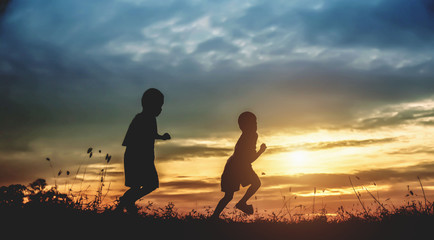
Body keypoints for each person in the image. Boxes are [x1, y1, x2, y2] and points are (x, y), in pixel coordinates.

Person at [117, 88, 171, 213]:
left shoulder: (147, 118)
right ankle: (126, 202)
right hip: (138, 157)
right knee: (148, 184)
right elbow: (145, 135)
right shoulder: (143, 118)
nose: (160, 109)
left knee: (140, 185)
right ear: (150, 104)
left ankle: (125, 204)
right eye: (159, 105)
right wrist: (161, 136)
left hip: (141, 157)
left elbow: (150, 134)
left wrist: (161, 136)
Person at [211, 111, 267, 219]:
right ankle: (241, 204)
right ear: (244, 126)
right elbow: (249, 159)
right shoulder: (251, 136)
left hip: (234, 165)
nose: (256, 125)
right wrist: (261, 151)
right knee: (255, 184)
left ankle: (214, 217)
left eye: (256, 122)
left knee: (228, 196)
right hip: (238, 166)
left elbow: (247, 158)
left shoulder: (247, 136)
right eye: (253, 123)